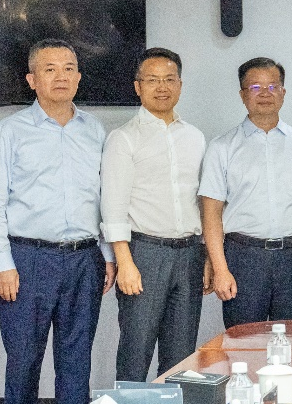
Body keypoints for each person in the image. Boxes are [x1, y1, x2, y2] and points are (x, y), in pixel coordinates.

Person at [0, 38, 115, 404]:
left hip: (85, 260)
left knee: (76, 362)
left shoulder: (95, 130)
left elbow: (105, 198)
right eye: (50, 69)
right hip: (28, 260)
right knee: (23, 361)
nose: (61, 77)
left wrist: (107, 255)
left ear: (79, 77)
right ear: (32, 80)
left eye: (69, 69)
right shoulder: (10, 131)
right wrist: (2, 262)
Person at [101, 47, 206, 381]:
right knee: (136, 352)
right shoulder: (123, 138)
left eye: (169, 79)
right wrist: (124, 262)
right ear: (138, 87)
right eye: (152, 80)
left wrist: (206, 257)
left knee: (181, 358)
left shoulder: (195, 137)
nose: (162, 87)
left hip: (189, 254)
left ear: (180, 85)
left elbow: (202, 202)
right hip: (144, 255)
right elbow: (113, 206)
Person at [200, 57, 292, 328]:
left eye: (273, 86)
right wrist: (220, 269)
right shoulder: (221, 148)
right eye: (255, 87)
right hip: (243, 257)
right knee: (243, 342)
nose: (265, 93)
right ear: (243, 95)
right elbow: (211, 215)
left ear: (283, 92)